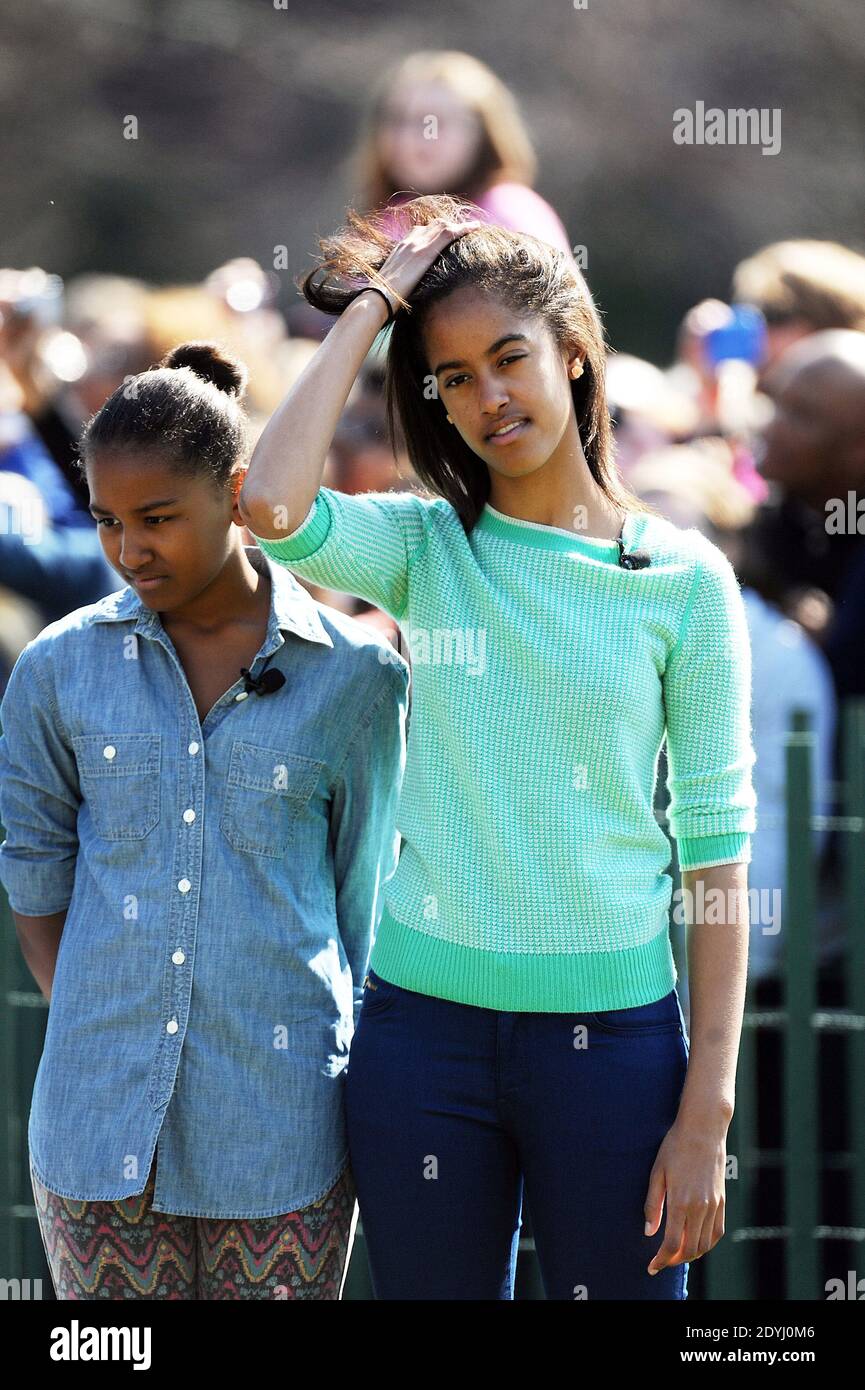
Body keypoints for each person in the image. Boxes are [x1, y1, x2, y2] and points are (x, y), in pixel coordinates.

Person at [238, 194, 758, 1301]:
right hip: (420, 1043)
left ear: (575, 355)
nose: (487, 397)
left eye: (509, 358)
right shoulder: (428, 547)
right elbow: (271, 504)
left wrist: (705, 1110)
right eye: (454, 377)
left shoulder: (682, 582)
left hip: (615, 1051)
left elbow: (717, 864)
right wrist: (373, 307)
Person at [0, 342, 409, 1300]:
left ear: (234, 493)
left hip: (283, 1135)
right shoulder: (57, 671)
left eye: (156, 519)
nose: (128, 550)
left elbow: (364, 903)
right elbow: (37, 879)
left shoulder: (354, 677)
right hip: (96, 1138)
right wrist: (116, 1025)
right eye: (106, 521)